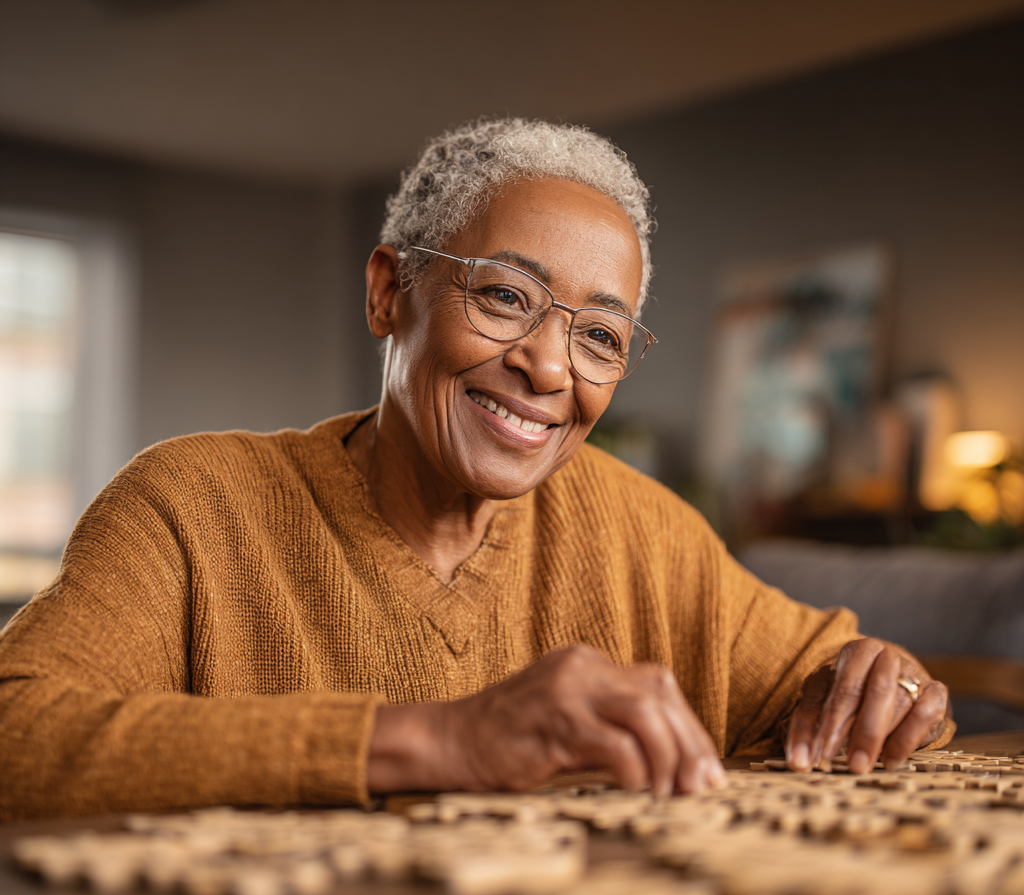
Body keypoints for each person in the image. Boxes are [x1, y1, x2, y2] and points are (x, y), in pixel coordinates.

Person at [0, 119, 950, 821]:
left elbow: (830, 679)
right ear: (388, 293)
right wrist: (442, 741)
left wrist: (881, 685)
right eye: (503, 295)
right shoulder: (191, 507)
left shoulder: (646, 533)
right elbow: (19, 736)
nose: (548, 366)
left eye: (600, 337)